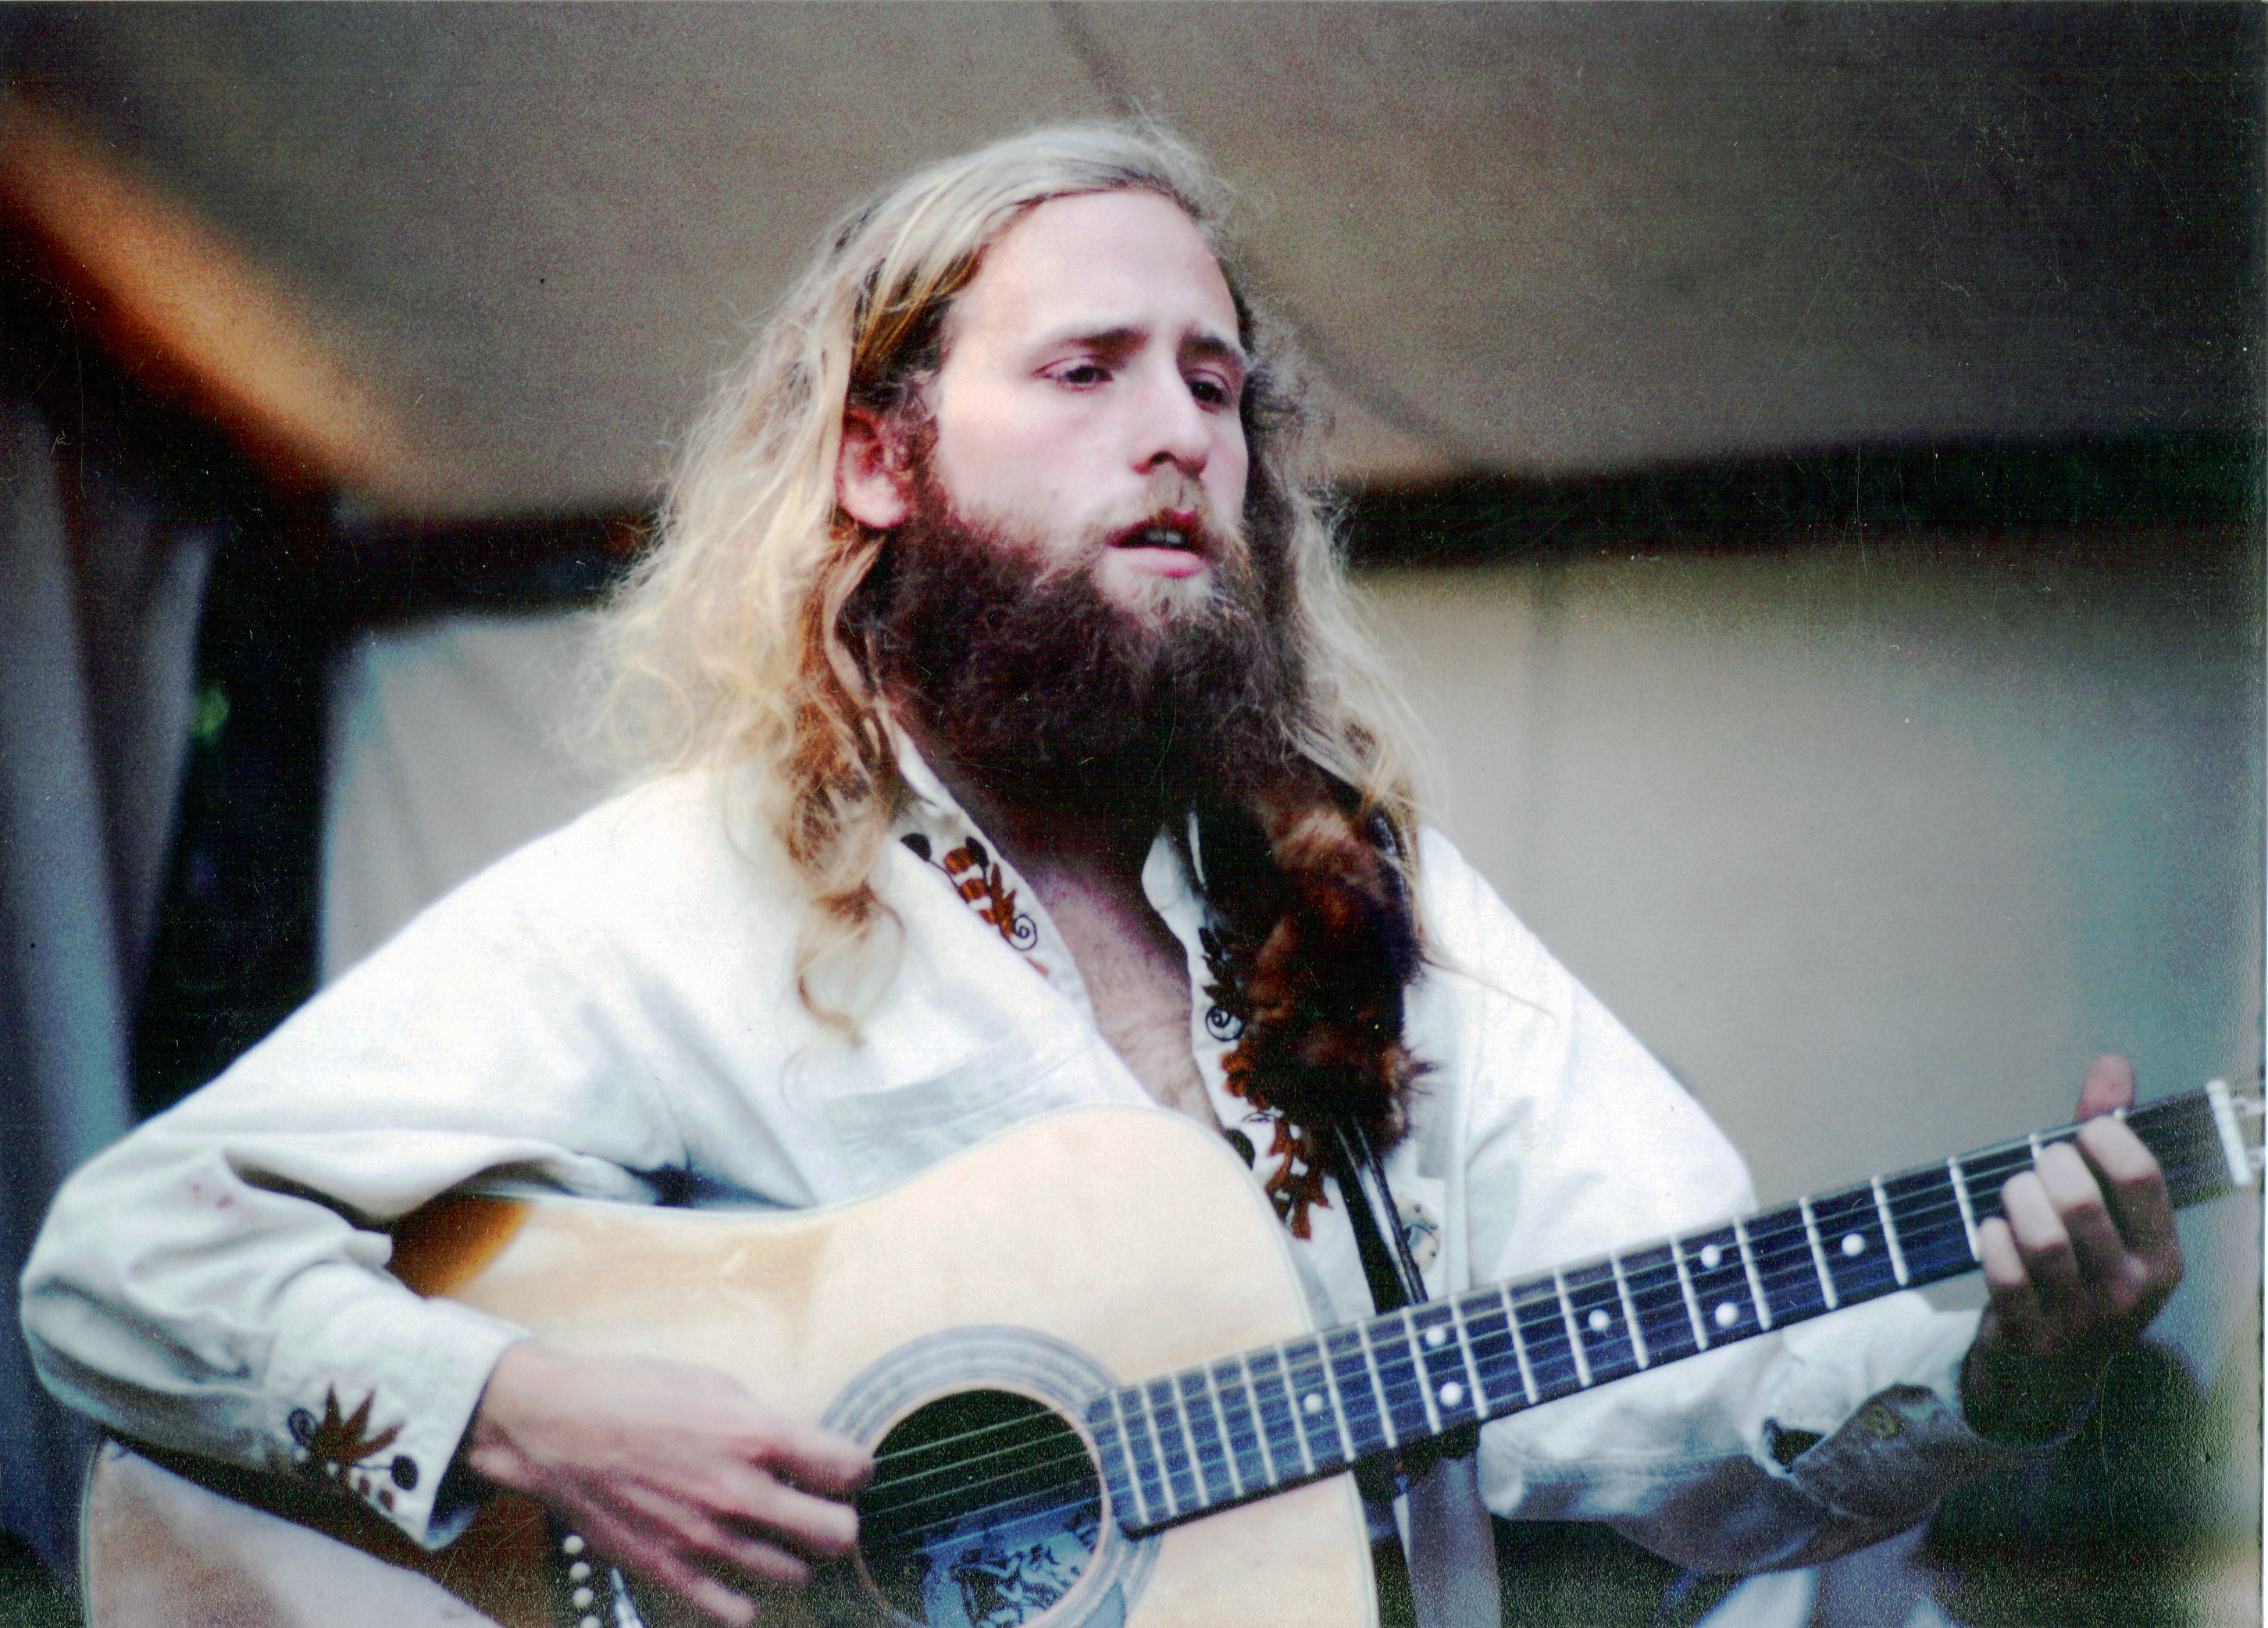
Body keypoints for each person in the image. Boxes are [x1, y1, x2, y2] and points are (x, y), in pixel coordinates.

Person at [21, 124, 2182, 1628]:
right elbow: (116, 1265)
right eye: (1088, 370)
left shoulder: (1374, 924)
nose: (1186, 437)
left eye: (1220, 384)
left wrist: (1998, 1366)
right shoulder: (681, 898)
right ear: (881, 453)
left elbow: (1696, 1401)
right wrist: (523, 1407)